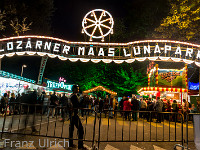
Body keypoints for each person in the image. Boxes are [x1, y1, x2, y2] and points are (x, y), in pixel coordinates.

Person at [69, 85, 86, 150]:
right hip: (74, 115)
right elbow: (78, 105)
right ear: (74, 89)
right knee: (81, 129)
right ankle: (80, 146)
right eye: (77, 89)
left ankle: (70, 144)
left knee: (71, 130)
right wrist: (82, 100)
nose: (78, 90)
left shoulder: (71, 96)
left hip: (71, 115)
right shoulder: (74, 97)